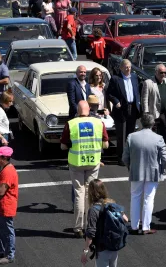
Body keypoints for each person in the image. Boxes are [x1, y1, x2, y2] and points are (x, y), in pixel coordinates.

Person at [60, 100, 109, 238]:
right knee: (90, 193)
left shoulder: (71, 124)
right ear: (89, 110)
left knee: (79, 193)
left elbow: (63, 146)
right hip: (93, 162)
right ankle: (90, 225)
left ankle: (78, 228)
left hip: (76, 163)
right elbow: (105, 145)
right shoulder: (99, 123)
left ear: (78, 111)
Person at [122, 113, 166, 235]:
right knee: (149, 199)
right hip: (152, 173)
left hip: (136, 171)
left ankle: (134, 225)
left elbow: (125, 158)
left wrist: (130, 168)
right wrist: (162, 171)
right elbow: (164, 159)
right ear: (153, 124)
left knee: (135, 198)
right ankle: (146, 226)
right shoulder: (158, 138)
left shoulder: (131, 137)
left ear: (141, 123)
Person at [82, 179, 129, 267]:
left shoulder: (93, 210)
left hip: (102, 248)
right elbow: (125, 219)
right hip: (114, 246)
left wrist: (85, 252)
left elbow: (90, 233)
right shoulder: (111, 203)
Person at [0, 146, 19, 265]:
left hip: (5, 206)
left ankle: (9, 255)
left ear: (4, 158)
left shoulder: (7, 172)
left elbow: (1, 191)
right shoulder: (5, 168)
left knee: (6, 230)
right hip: (1, 206)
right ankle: (1, 250)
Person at [141, 63, 166, 146]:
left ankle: (165, 154)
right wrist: (146, 113)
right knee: (154, 136)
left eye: (165, 73)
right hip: (154, 114)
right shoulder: (148, 83)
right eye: (161, 73)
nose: (163, 74)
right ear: (156, 72)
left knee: (165, 135)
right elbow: (144, 99)